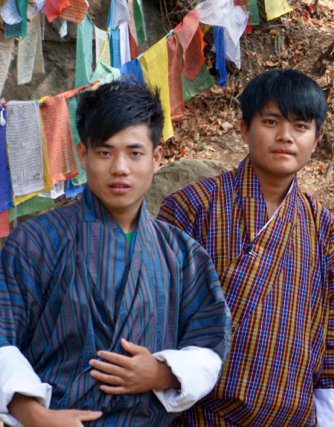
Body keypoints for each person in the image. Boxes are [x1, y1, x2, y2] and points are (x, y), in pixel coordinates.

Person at [0, 81, 231, 427]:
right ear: (83, 155)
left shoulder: (182, 255)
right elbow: (3, 342)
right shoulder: (35, 243)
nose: (120, 168)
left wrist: (164, 372)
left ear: (156, 159)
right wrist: (35, 415)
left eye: (135, 153)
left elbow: (209, 342)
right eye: (105, 152)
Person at [158, 69, 334, 427]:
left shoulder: (323, 227)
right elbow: (157, 312)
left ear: (316, 140)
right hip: (197, 415)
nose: (285, 136)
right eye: (271, 121)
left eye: (300, 126)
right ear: (244, 129)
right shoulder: (192, 207)